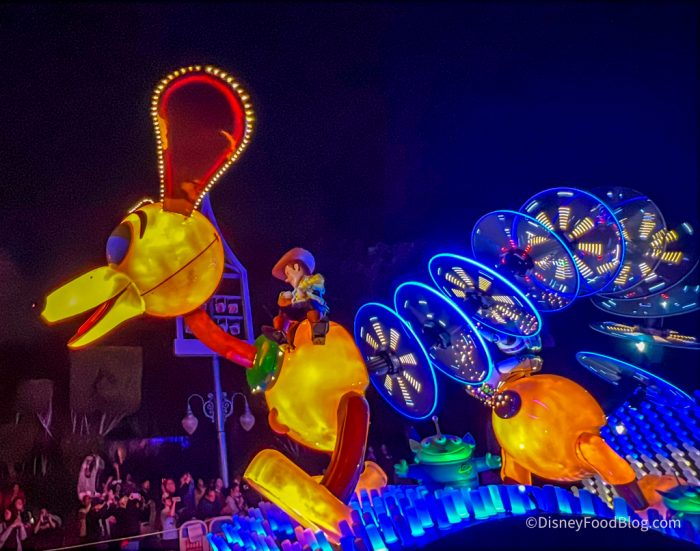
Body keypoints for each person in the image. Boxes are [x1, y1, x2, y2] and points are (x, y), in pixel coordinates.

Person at [262, 248, 330, 347]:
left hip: (313, 307)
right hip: (300, 311)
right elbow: (294, 301)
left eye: (288, 274)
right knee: (282, 313)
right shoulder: (295, 291)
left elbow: (314, 294)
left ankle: (318, 337)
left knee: (312, 310)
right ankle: (281, 334)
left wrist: (302, 293)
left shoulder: (314, 280)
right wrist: (286, 300)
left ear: (296, 267)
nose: (286, 280)